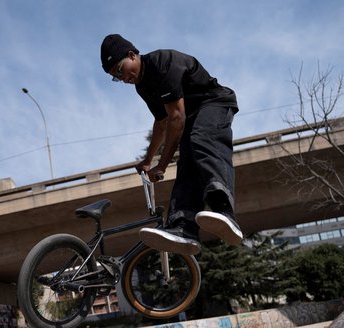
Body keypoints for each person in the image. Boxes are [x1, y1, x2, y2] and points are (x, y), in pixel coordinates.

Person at [100, 34, 243, 255]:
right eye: (116, 78)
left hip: (214, 103)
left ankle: (224, 211)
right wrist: (149, 160)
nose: (122, 79)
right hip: (191, 118)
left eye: (120, 70)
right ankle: (183, 229)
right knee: (188, 165)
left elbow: (176, 119)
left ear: (131, 55)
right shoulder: (142, 86)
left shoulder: (163, 64)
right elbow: (161, 122)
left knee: (202, 139)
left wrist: (163, 165)